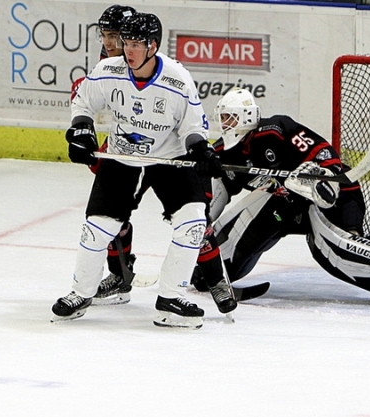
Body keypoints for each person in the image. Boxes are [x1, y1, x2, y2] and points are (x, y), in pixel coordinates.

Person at [52, 12, 228, 329]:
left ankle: (171, 300)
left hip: (168, 158)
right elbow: (84, 102)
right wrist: (81, 129)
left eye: (135, 44)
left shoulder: (177, 78)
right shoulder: (109, 70)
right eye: (126, 43)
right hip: (123, 155)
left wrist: (201, 149)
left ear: (152, 46)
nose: (128, 51)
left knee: (192, 224)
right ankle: (81, 293)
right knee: (97, 227)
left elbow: (193, 127)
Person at [191, 88, 370, 308]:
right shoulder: (223, 153)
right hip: (284, 203)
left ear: (246, 117)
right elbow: (216, 196)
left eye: (229, 117)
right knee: (229, 245)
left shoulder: (276, 130)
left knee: (330, 250)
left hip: (333, 197)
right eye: (222, 118)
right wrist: (196, 221)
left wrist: (321, 176)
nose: (224, 124)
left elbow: (325, 154)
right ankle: (212, 271)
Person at [70, 5, 139, 307]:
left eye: (114, 36)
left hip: (158, 149)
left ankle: (212, 272)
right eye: (104, 35)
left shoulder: (140, 59)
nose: (108, 42)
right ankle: (120, 277)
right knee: (113, 215)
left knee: (188, 213)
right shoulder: (108, 59)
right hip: (123, 147)